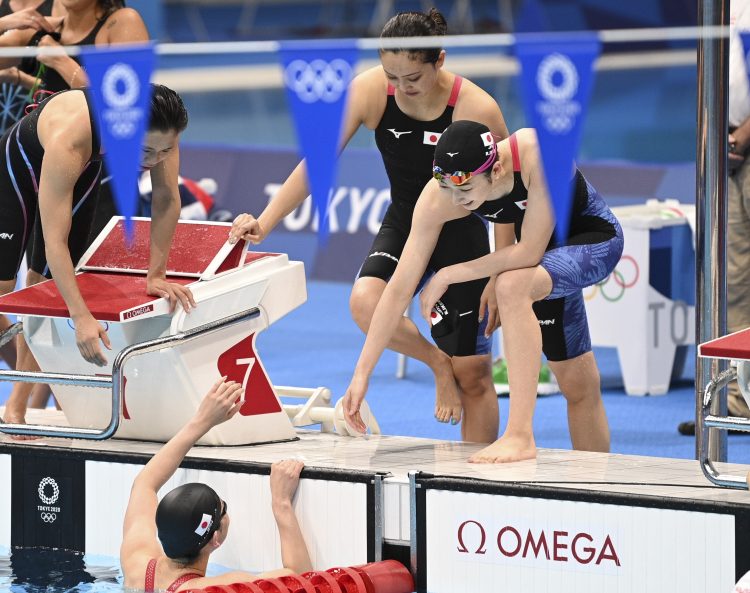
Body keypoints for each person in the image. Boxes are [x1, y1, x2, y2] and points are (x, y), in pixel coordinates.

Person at [230, 9, 509, 443]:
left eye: (411, 78)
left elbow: (505, 196)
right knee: (365, 303)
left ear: (439, 61)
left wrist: (497, 271)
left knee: (472, 375)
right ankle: (437, 363)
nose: (399, 89)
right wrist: (265, 222)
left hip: (462, 231)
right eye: (390, 75)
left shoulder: (476, 107)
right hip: (405, 221)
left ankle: (475, 483)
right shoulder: (368, 91)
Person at [342, 121, 623, 463]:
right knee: (579, 384)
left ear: (497, 168)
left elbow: (529, 252)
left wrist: (447, 274)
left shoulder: (540, 154)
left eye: (465, 191)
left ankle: (520, 435)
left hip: (593, 241)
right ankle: (595, 493)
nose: (458, 203)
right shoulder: (440, 197)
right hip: (544, 265)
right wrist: (361, 374)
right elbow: (399, 288)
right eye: (449, 191)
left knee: (511, 285)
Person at [0, 84, 196, 428]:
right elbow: (54, 243)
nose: (153, 161)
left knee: (42, 288)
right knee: (4, 290)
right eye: (146, 151)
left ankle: (18, 405)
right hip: (20, 166)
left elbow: (166, 199)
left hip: (86, 164)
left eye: (163, 151)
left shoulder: (163, 132)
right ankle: (28, 363)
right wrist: (81, 317)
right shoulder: (71, 140)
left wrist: (156, 275)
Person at [121, 378, 312, 590]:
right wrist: (281, 502)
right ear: (216, 537)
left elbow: (144, 483)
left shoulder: (137, 567)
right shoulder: (220, 587)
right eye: (223, 509)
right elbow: (303, 581)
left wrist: (202, 421)